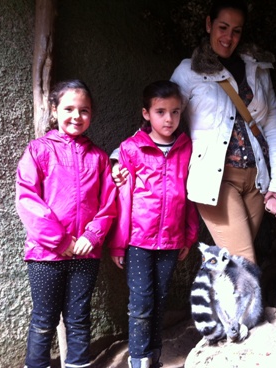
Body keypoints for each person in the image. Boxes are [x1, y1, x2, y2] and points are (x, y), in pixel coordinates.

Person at [170, 0, 276, 263]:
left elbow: (273, 126)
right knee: (243, 263)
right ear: (208, 24)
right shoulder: (188, 70)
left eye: (236, 30)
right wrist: (121, 157)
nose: (228, 37)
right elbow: (163, 117)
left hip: (257, 180)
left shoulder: (257, 69)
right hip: (217, 181)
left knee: (228, 266)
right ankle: (250, 307)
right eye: (223, 27)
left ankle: (212, 304)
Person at [16, 79, 118, 368]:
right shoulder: (38, 150)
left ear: (92, 114)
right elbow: (28, 200)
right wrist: (61, 241)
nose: (76, 116)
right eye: (69, 108)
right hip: (46, 255)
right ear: (54, 110)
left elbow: (108, 204)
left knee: (78, 317)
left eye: (84, 110)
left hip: (86, 253)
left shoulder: (98, 157)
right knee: (44, 320)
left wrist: (93, 234)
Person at [108, 80, 199, 368]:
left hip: (172, 240)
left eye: (175, 112)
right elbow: (119, 197)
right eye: (161, 112)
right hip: (138, 242)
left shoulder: (187, 148)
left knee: (160, 299)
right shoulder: (132, 149)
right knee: (141, 302)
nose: (169, 119)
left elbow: (191, 196)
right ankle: (138, 359)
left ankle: (154, 356)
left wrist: (188, 236)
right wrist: (117, 243)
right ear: (146, 114)